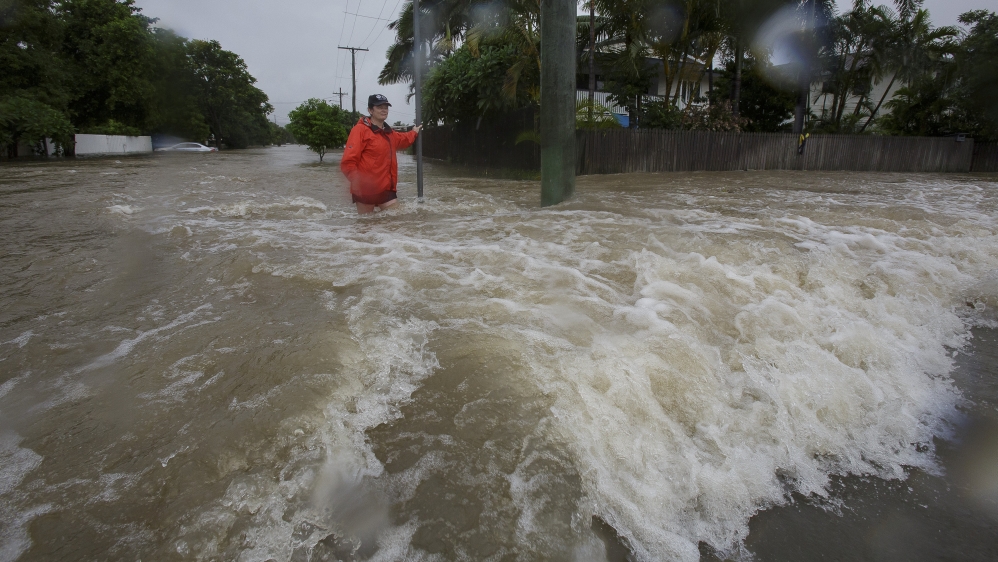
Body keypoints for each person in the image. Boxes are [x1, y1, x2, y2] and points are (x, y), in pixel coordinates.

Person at [340, 94, 422, 214]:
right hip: (365, 189)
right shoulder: (359, 130)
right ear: (370, 110)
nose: (384, 110)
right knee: (366, 226)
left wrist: (414, 132)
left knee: (395, 222)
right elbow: (348, 162)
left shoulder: (389, 133)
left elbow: (403, 139)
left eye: (386, 107)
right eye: (379, 107)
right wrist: (358, 183)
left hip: (387, 189)